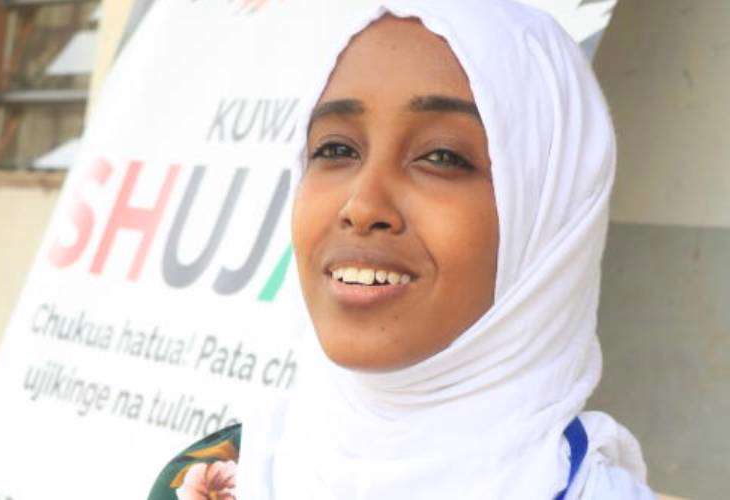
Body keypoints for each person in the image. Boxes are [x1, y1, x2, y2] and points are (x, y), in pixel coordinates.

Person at [148, 1, 658, 498]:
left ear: (550, 216)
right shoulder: (213, 481)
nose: (362, 205)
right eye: (336, 149)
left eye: (441, 156)